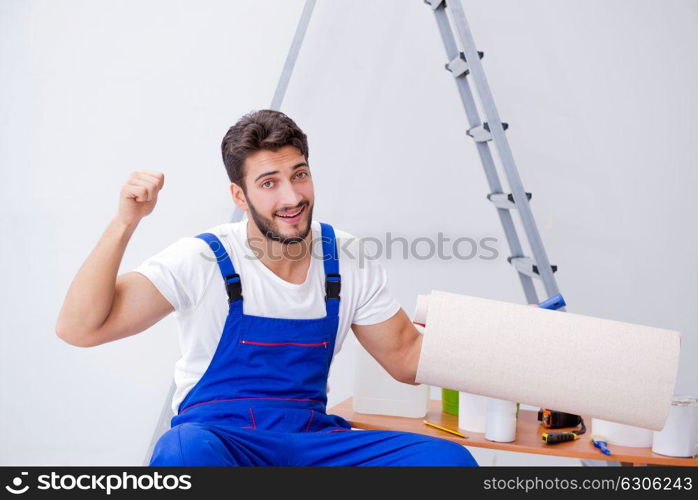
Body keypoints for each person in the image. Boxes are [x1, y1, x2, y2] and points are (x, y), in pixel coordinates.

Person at [55, 109, 478, 467]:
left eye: (300, 175)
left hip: (311, 441)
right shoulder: (203, 258)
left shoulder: (346, 256)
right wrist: (126, 220)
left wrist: (513, 338)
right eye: (269, 182)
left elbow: (406, 356)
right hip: (224, 442)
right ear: (240, 196)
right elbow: (80, 329)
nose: (292, 197)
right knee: (183, 451)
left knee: (446, 462)